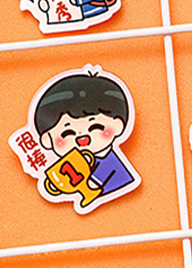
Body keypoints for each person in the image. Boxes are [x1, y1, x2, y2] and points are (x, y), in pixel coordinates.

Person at [34, 69, 138, 200]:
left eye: (96, 127)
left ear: (118, 125)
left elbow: (97, 190)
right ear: (47, 139)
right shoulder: (64, 164)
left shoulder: (113, 167)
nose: (82, 137)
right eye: (67, 133)